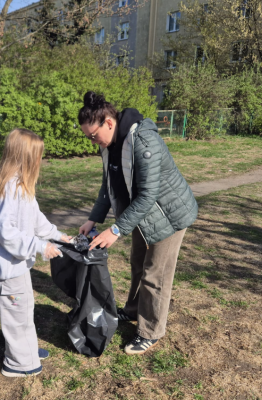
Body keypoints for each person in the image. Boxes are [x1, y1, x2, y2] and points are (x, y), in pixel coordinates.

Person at [77, 91, 198, 355]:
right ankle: (133, 310)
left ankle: (151, 331)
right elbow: (107, 186)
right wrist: (93, 219)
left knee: (155, 274)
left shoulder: (143, 141)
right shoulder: (109, 145)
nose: (92, 142)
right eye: (88, 137)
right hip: (142, 215)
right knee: (137, 265)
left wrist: (116, 230)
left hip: (168, 215)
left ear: (109, 122)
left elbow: (148, 195)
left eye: (93, 136)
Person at [0, 129, 71, 377]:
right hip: (10, 267)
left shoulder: (21, 186)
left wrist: (57, 235)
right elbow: (4, 231)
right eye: (38, 156)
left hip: (18, 266)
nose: (40, 161)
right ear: (26, 158)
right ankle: (18, 364)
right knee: (16, 315)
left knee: (24, 310)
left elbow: (35, 218)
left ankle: (27, 350)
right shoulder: (10, 189)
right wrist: (40, 246)